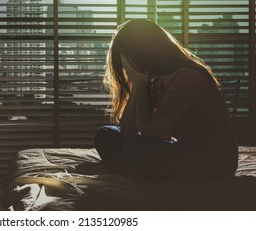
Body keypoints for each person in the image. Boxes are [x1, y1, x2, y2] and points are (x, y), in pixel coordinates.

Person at [94, 18, 238, 182]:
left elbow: (150, 133)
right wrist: (137, 87)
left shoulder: (187, 78)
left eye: (127, 59)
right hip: (183, 150)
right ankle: (133, 170)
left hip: (212, 163)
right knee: (106, 134)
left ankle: (131, 169)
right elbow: (128, 130)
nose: (126, 66)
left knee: (135, 148)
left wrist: (141, 87)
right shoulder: (154, 79)